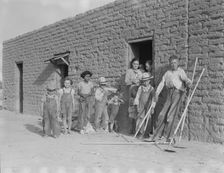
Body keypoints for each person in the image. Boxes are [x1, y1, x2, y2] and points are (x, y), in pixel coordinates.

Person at [151, 55, 192, 142]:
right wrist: (157, 93)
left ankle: (169, 137)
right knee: (162, 114)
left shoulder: (180, 71)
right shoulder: (167, 73)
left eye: (175, 63)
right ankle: (158, 134)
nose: (173, 64)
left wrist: (188, 83)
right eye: (171, 63)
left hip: (177, 93)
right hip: (169, 93)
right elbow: (162, 83)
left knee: (170, 115)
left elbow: (185, 79)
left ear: (178, 63)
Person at [134, 73, 155, 138]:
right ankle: (140, 132)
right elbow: (137, 96)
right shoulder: (141, 88)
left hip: (148, 106)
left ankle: (146, 133)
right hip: (141, 105)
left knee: (148, 119)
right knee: (140, 118)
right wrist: (137, 105)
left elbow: (154, 99)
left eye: (147, 81)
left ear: (149, 81)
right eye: (144, 81)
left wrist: (152, 107)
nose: (145, 82)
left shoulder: (151, 88)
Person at [125, 58, 143, 134]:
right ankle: (131, 129)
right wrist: (132, 81)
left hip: (139, 91)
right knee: (132, 110)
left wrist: (139, 81)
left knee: (138, 110)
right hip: (132, 91)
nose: (136, 65)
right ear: (132, 64)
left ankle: (138, 129)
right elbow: (126, 82)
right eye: (134, 64)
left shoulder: (140, 72)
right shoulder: (129, 71)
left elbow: (143, 80)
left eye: (137, 64)